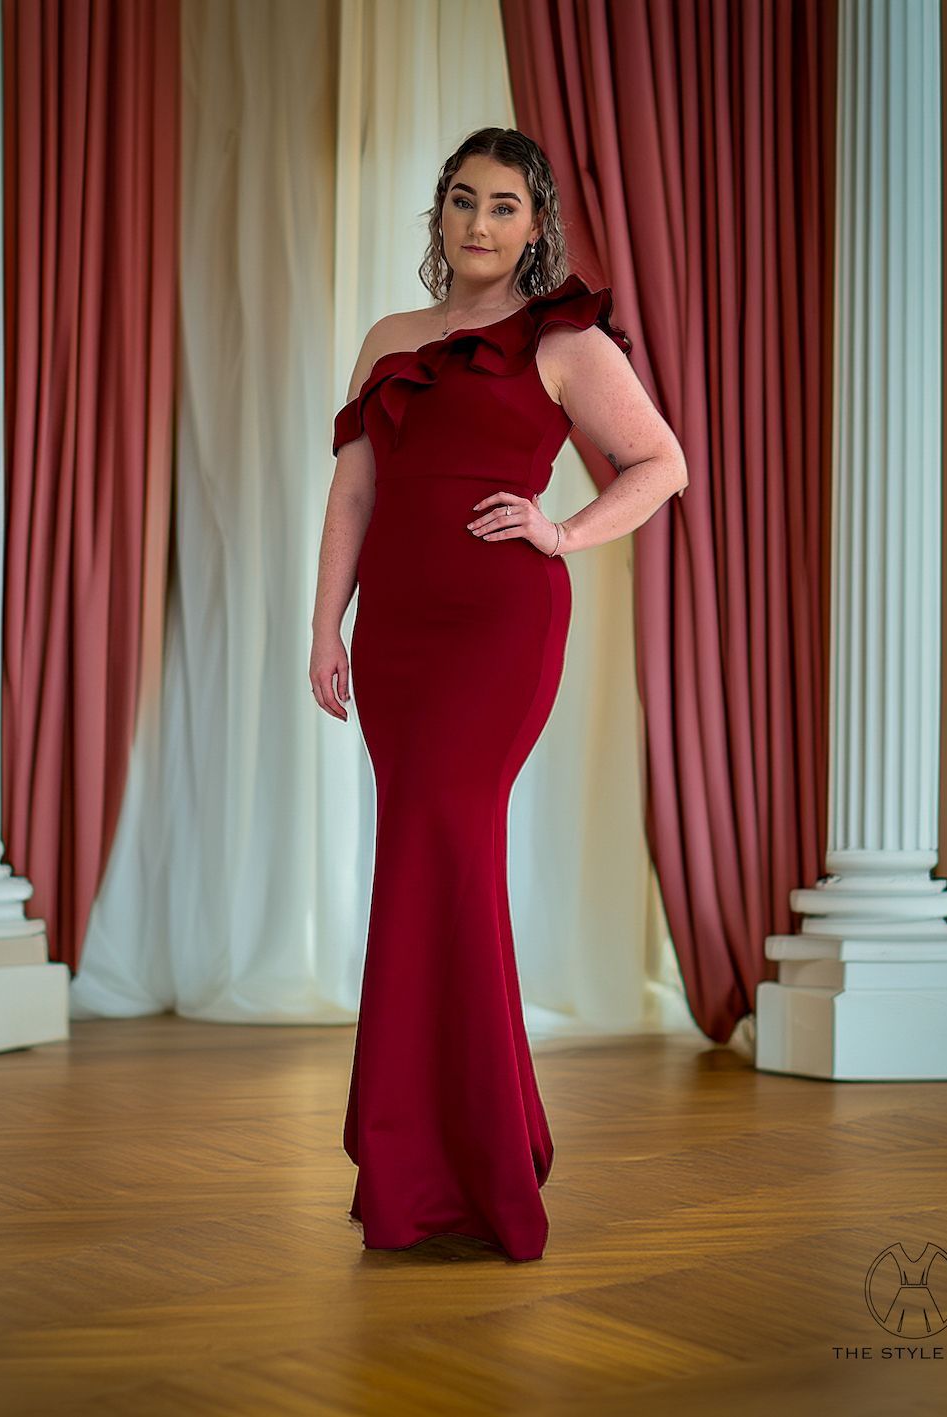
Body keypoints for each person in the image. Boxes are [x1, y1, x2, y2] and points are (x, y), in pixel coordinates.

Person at [309, 127, 688, 1262]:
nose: (479, 223)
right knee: (423, 866)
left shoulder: (563, 339)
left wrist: (560, 530)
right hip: (396, 640)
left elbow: (661, 463)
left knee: (446, 855)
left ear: (536, 226)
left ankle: (463, 1166)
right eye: (464, 200)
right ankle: (464, 1146)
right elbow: (353, 493)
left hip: (496, 633)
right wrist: (325, 624)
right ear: (442, 212)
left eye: (504, 206)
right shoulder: (390, 339)